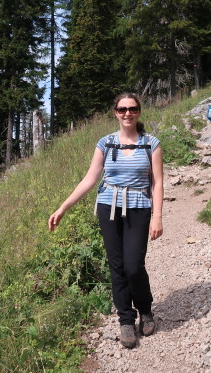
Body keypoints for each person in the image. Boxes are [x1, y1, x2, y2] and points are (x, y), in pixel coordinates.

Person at [48, 93, 163, 349]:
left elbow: (157, 183)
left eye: (132, 109)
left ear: (139, 112)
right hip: (108, 208)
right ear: (115, 112)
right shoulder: (106, 143)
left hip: (138, 208)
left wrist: (157, 217)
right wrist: (63, 208)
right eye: (122, 109)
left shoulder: (151, 144)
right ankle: (126, 320)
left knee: (134, 266)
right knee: (117, 266)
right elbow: (90, 179)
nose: (127, 113)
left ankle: (145, 310)